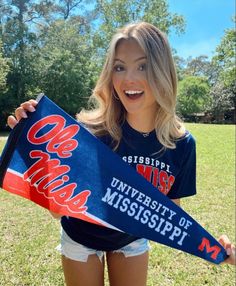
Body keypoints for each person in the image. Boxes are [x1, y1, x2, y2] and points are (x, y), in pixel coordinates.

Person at [7, 22, 235, 286]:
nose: (129, 79)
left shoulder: (181, 144)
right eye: (119, 67)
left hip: (131, 241)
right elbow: (58, 212)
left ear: (163, 71)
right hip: (80, 238)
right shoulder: (87, 134)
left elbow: (170, 216)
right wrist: (31, 140)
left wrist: (213, 249)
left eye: (143, 66)